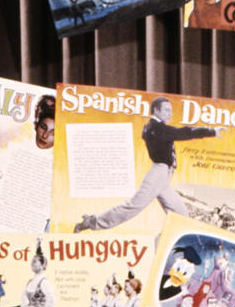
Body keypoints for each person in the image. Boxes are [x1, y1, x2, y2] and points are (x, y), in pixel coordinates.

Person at [75, 97, 223, 231]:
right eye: (166, 110)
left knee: (182, 216)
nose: (170, 114)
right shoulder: (157, 128)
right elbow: (184, 132)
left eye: (170, 111)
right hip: (158, 173)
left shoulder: (153, 127)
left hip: (164, 176)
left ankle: (161, 247)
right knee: (133, 206)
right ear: (156, 110)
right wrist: (210, 131)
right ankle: (93, 222)